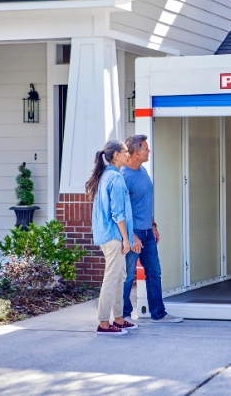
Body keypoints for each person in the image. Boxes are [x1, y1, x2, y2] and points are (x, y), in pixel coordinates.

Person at [121, 135, 183, 323]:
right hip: (133, 234)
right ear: (136, 152)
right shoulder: (124, 177)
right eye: (146, 148)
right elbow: (120, 210)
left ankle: (158, 313)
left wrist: (153, 224)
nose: (149, 151)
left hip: (147, 231)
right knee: (128, 275)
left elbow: (145, 202)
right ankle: (123, 315)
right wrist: (132, 237)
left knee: (154, 271)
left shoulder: (143, 171)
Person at [86, 139, 142, 335]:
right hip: (113, 236)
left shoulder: (107, 175)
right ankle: (103, 323)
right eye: (126, 151)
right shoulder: (116, 178)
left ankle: (118, 319)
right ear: (116, 155)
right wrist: (127, 239)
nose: (129, 154)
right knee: (112, 278)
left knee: (119, 277)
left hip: (109, 235)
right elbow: (118, 213)